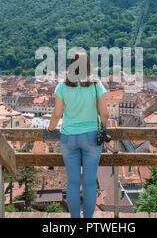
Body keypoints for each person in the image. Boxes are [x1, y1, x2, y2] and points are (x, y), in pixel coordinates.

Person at [46, 53, 109, 218]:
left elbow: (56, 114)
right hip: (91, 137)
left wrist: (51, 128)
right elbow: (105, 113)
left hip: (69, 137)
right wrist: (103, 127)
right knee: (89, 183)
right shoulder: (96, 84)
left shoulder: (63, 85)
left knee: (73, 182)